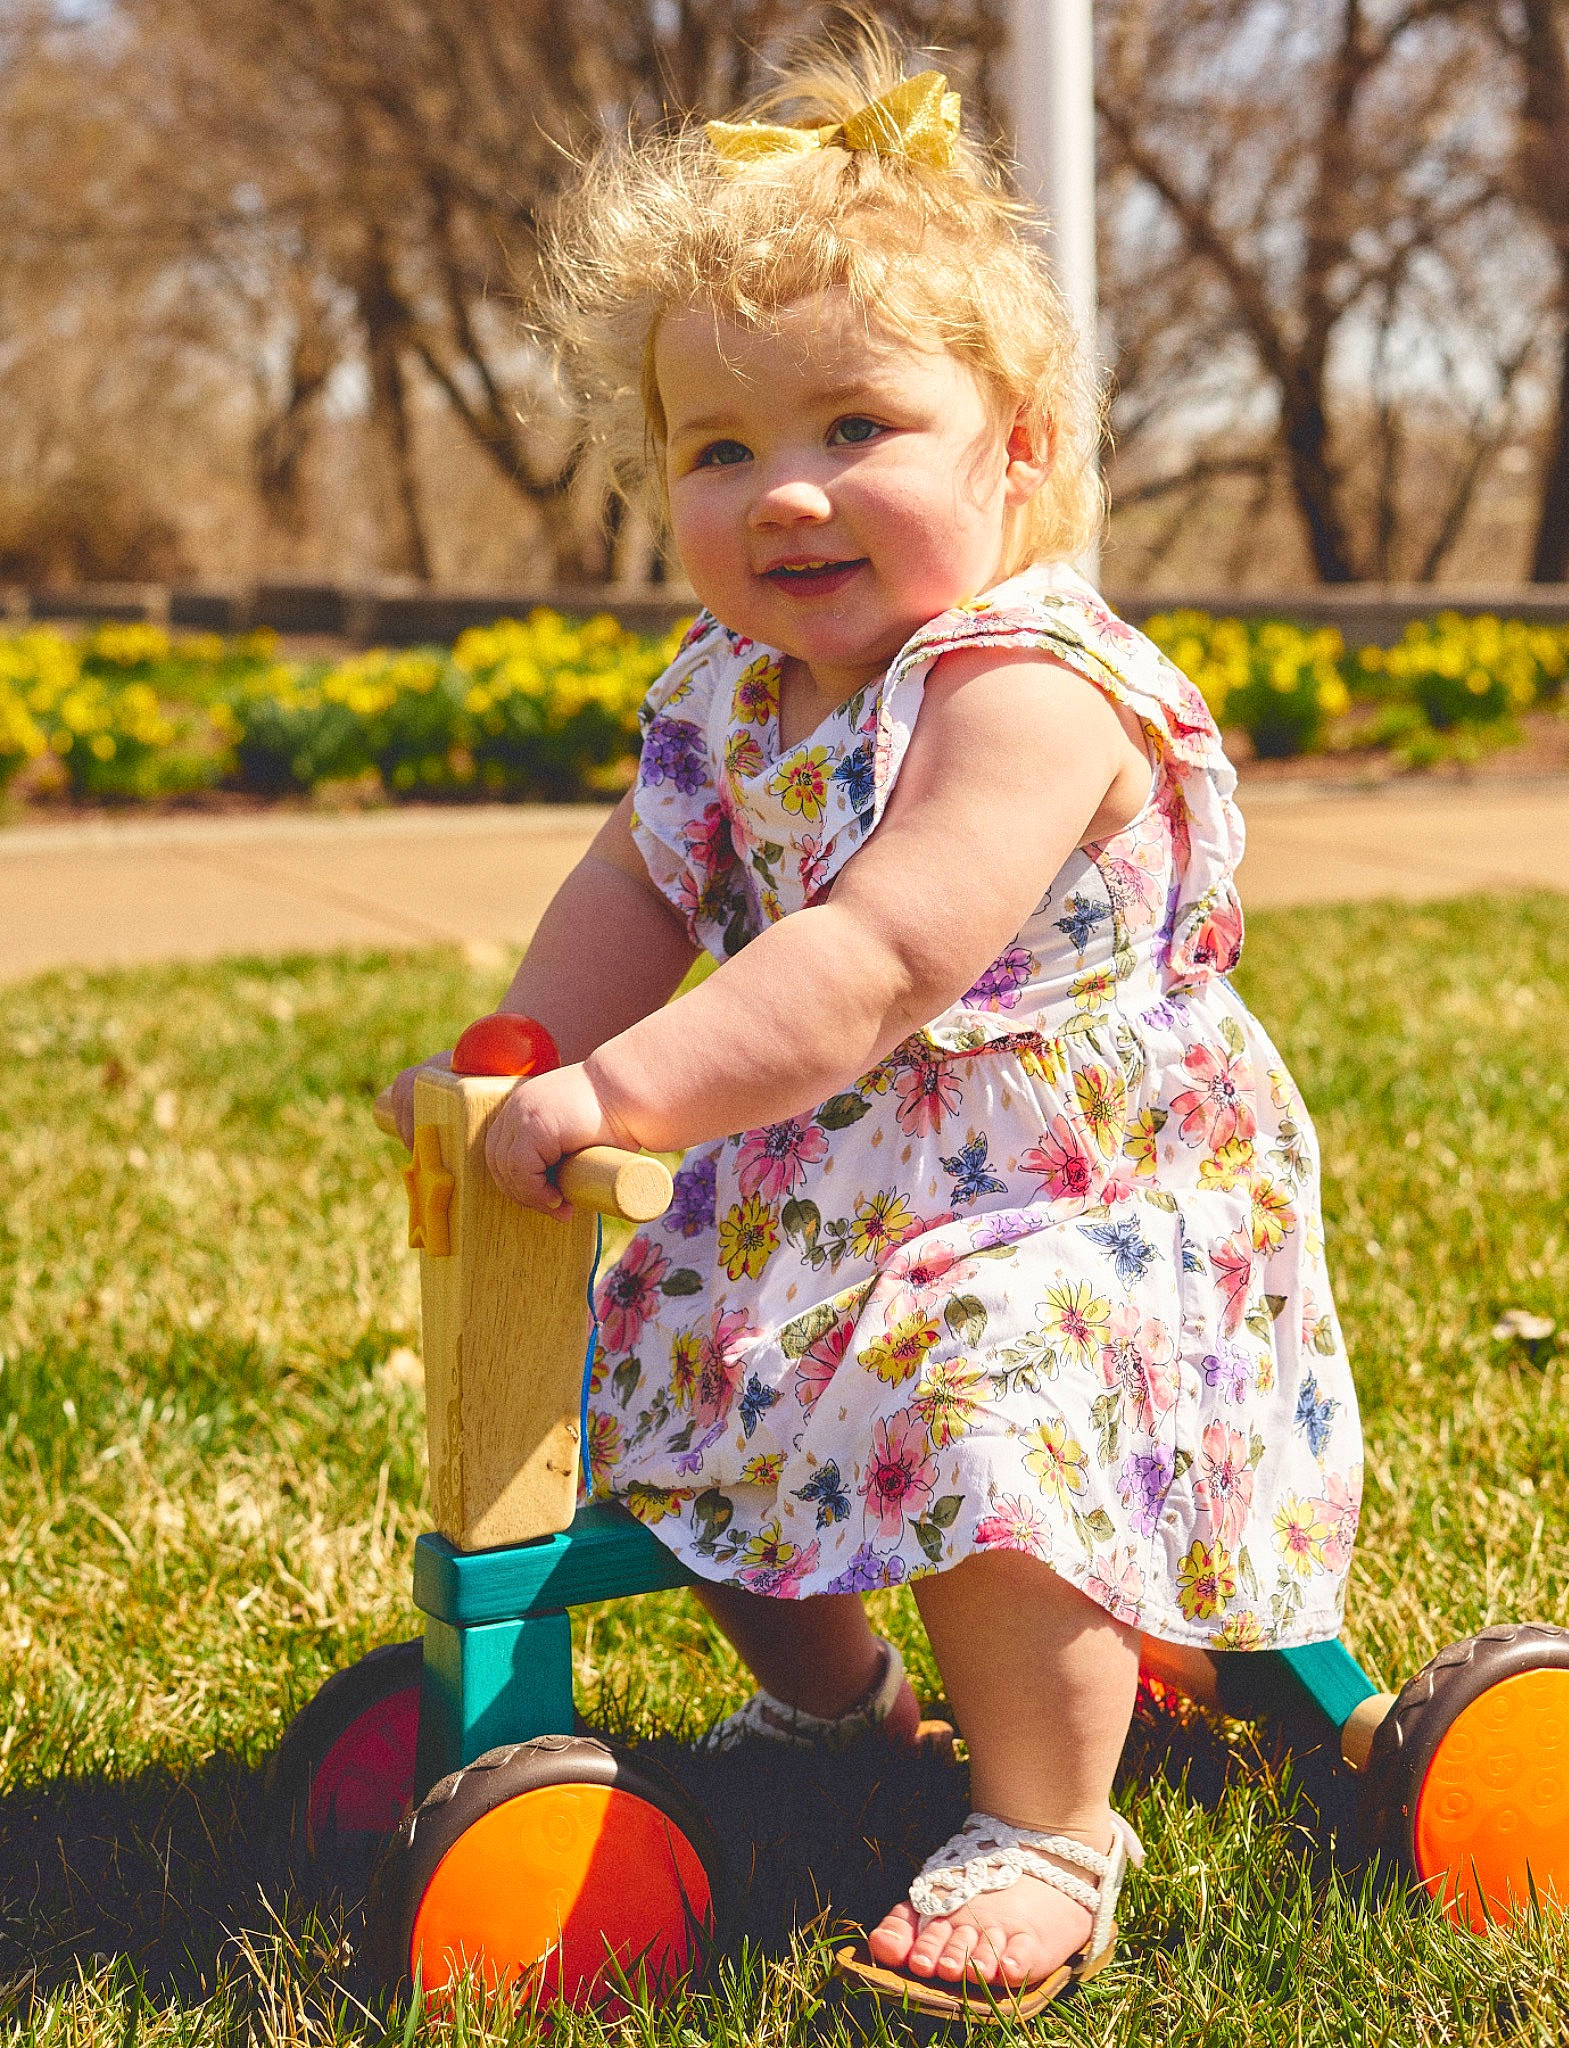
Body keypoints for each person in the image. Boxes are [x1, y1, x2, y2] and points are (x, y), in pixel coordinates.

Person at [390, 29, 1361, 2018]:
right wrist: (527, 1044)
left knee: (985, 1415)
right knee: (693, 1370)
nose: (791, 491)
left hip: (1064, 1195)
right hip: (819, 1173)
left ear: (1014, 452)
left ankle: (1047, 1812)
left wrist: (628, 1084)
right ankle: (841, 1715)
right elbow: (640, 887)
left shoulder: (1028, 684)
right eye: (718, 447)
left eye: (859, 425)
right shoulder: (724, 692)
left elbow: (878, 962)